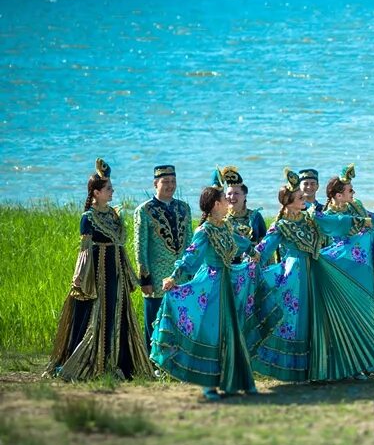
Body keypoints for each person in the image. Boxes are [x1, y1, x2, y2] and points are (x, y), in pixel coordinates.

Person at [254, 170, 374, 383]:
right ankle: (304, 370)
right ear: (289, 203)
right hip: (295, 278)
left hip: (319, 271)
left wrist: (361, 222)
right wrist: (248, 262)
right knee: (300, 321)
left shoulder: (312, 217)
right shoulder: (280, 226)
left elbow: (336, 222)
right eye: (300, 197)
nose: (305, 199)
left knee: (337, 316)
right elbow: (262, 251)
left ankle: (350, 364)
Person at [152, 185, 274, 400]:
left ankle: (233, 382)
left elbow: (240, 242)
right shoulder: (204, 231)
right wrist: (174, 276)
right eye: (224, 199)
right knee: (211, 333)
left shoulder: (224, 226)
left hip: (229, 282)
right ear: (216, 204)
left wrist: (253, 251)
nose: (228, 201)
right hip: (211, 286)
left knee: (232, 332)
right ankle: (208, 385)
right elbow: (190, 258)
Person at [48, 159, 150, 381]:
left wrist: (130, 276)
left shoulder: (114, 215)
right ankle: (94, 364)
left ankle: (118, 364)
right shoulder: (88, 218)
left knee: (119, 314)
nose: (112, 191)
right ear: (96, 192)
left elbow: (119, 247)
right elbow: (85, 254)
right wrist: (83, 282)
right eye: (108, 189)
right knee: (96, 317)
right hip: (98, 276)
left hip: (117, 275)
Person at [135, 164, 193, 354]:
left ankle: (179, 360)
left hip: (181, 276)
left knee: (182, 318)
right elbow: (140, 246)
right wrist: (145, 278)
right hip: (156, 276)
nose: (170, 185)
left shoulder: (184, 207)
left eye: (173, 181)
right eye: (165, 181)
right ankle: (153, 362)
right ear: (155, 183)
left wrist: (192, 271)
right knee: (155, 320)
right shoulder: (144, 210)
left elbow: (190, 243)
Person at [217, 166, 267, 243]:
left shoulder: (256, 216)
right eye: (229, 194)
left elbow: (264, 243)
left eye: (236, 193)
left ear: (244, 196)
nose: (232, 197)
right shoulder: (221, 218)